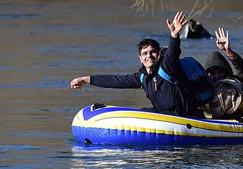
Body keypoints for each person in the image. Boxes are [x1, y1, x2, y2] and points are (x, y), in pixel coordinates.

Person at [69, 11, 202, 116]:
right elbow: (116, 81)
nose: (149, 56)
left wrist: (174, 35)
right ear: (140, 58)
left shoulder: (167, 67)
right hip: (164, 116)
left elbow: (173, 53)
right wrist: (86, 79)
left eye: (152, 52)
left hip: (183, 117)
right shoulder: (142, 77)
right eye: (145, 53)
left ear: (158, 54)